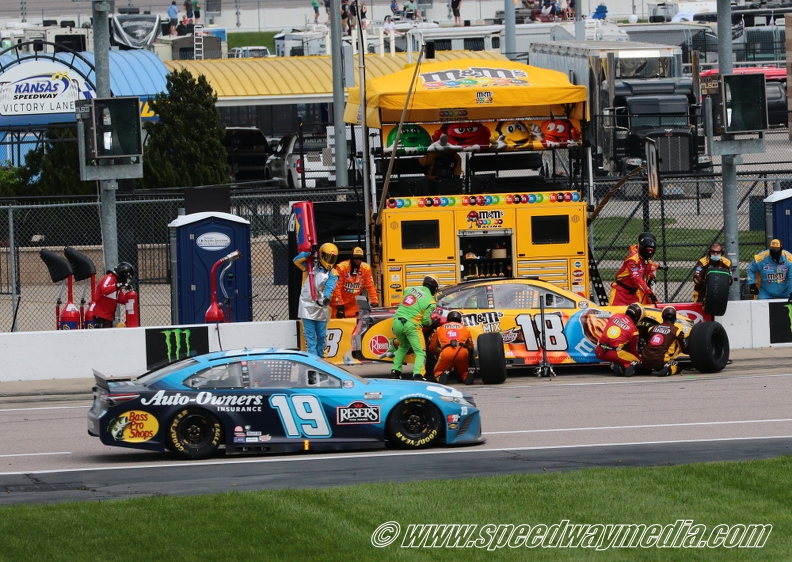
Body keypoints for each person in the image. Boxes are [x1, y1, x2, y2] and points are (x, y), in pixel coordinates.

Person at [293, 243, 340, 358]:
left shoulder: (333, 273)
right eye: (328, 257)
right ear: (321, 255)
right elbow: (296, 261)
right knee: (310, 337)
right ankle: (313, 361)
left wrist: (325, 297)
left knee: (321, 336)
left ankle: (321, 359)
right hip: (306, 305)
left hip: (322, 305)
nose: (330, 260)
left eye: (332, 258)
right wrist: (308, 253)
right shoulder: (309, 265)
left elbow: (330, 287)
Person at [391, 275, 438, 381]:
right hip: (411, 325)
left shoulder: (409, 289)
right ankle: (418, 374)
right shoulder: (431, 301)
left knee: (403, 346)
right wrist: (432, 322)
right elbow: (425, 320)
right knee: (420, 351)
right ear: (434, 288)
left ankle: (395, 371)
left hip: (397, 322)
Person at [633, 306, 688, 377]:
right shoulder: (677, 330)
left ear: (663, 317)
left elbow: (649, 343)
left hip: (645, 359)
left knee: (647, 367)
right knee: (677, 365)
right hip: (661, 360)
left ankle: (637, 366)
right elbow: (684, 349)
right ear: (675, 318)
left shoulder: (652, 328)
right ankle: (669, 368)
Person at [608, 232, 659, 306]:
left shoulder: (645, 260)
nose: (649, 253)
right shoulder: (633, 259)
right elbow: (636, 278)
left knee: (637, 315)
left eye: (651, 251)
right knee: (615, 315)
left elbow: (647, 269)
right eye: (648, 250)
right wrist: (649, 292)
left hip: (634, 294)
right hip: (620, 294)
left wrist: (651, 274)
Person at [594, 303, 642, 376]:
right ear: (638, 317)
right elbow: (633, 350)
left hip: (598, 350)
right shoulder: (634, 330)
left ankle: (616, 363)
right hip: (613, 353)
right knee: (637, 361)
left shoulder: (615, 316)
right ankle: (623, 366)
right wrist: (639, 358)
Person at [331, 247, 379, 319]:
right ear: (352, 257)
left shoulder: (366, 268)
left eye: (360, 258)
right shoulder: (341, 267)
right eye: (356, 258)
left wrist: (374, 302)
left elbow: (370, 285)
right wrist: (340, 306)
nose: (358, 260)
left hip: (354, 306)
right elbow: (336, 288)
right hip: (338, 306)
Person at [429, 310, 474, 384]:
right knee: (463, 371)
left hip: (446, 351)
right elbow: (470, 346)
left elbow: (432, 346)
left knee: (438, 371)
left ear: (448, 319)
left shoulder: (440, 328)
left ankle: (441, 376)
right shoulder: (465, 328)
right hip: (462, 351)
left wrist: (438, 353)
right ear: (460, 319)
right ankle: (466, 377)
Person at [89, 262, 135, 329]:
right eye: (126, 278)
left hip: (108, 317)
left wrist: (131, 296)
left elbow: (120, 298)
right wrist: (118, 285)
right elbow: (104, 289)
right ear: (123, 274)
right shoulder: (109, 278)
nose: (126, 280)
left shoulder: (116, 284)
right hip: (101, 316)